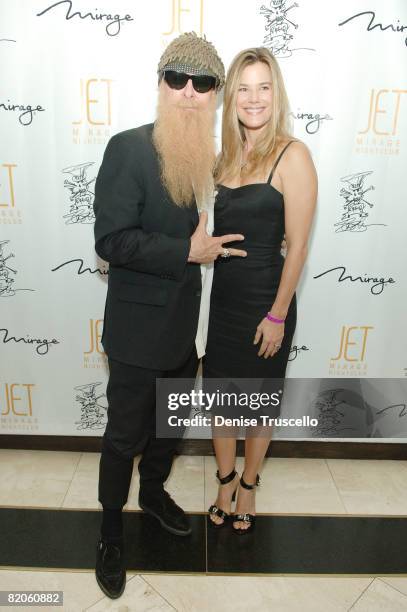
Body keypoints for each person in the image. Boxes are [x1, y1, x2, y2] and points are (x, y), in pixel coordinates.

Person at [92, 33, 247, 599]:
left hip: (188, 332)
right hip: (136, 335)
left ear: (215, 96)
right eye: (177, 79)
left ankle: (152, 494)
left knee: (170, 428)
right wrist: (185, 251)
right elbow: (111, 239)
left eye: (202, 83)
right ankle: (110, 530)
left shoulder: (212, 158)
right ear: (160, 85)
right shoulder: (129, 149)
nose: (188, 92)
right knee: (123, 436)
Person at [203, 47, 318, 534]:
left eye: (263, 87)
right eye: (244, 88)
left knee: (258, 402)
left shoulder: (293, 155)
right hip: (225, 300)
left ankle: (249, 483)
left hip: (267, 302)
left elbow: (297, 249)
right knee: (221, 399)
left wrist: (277, 314)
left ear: (277, 94)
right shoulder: (224, 157)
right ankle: (224, 478)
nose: (254, 98)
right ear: (232, 98)